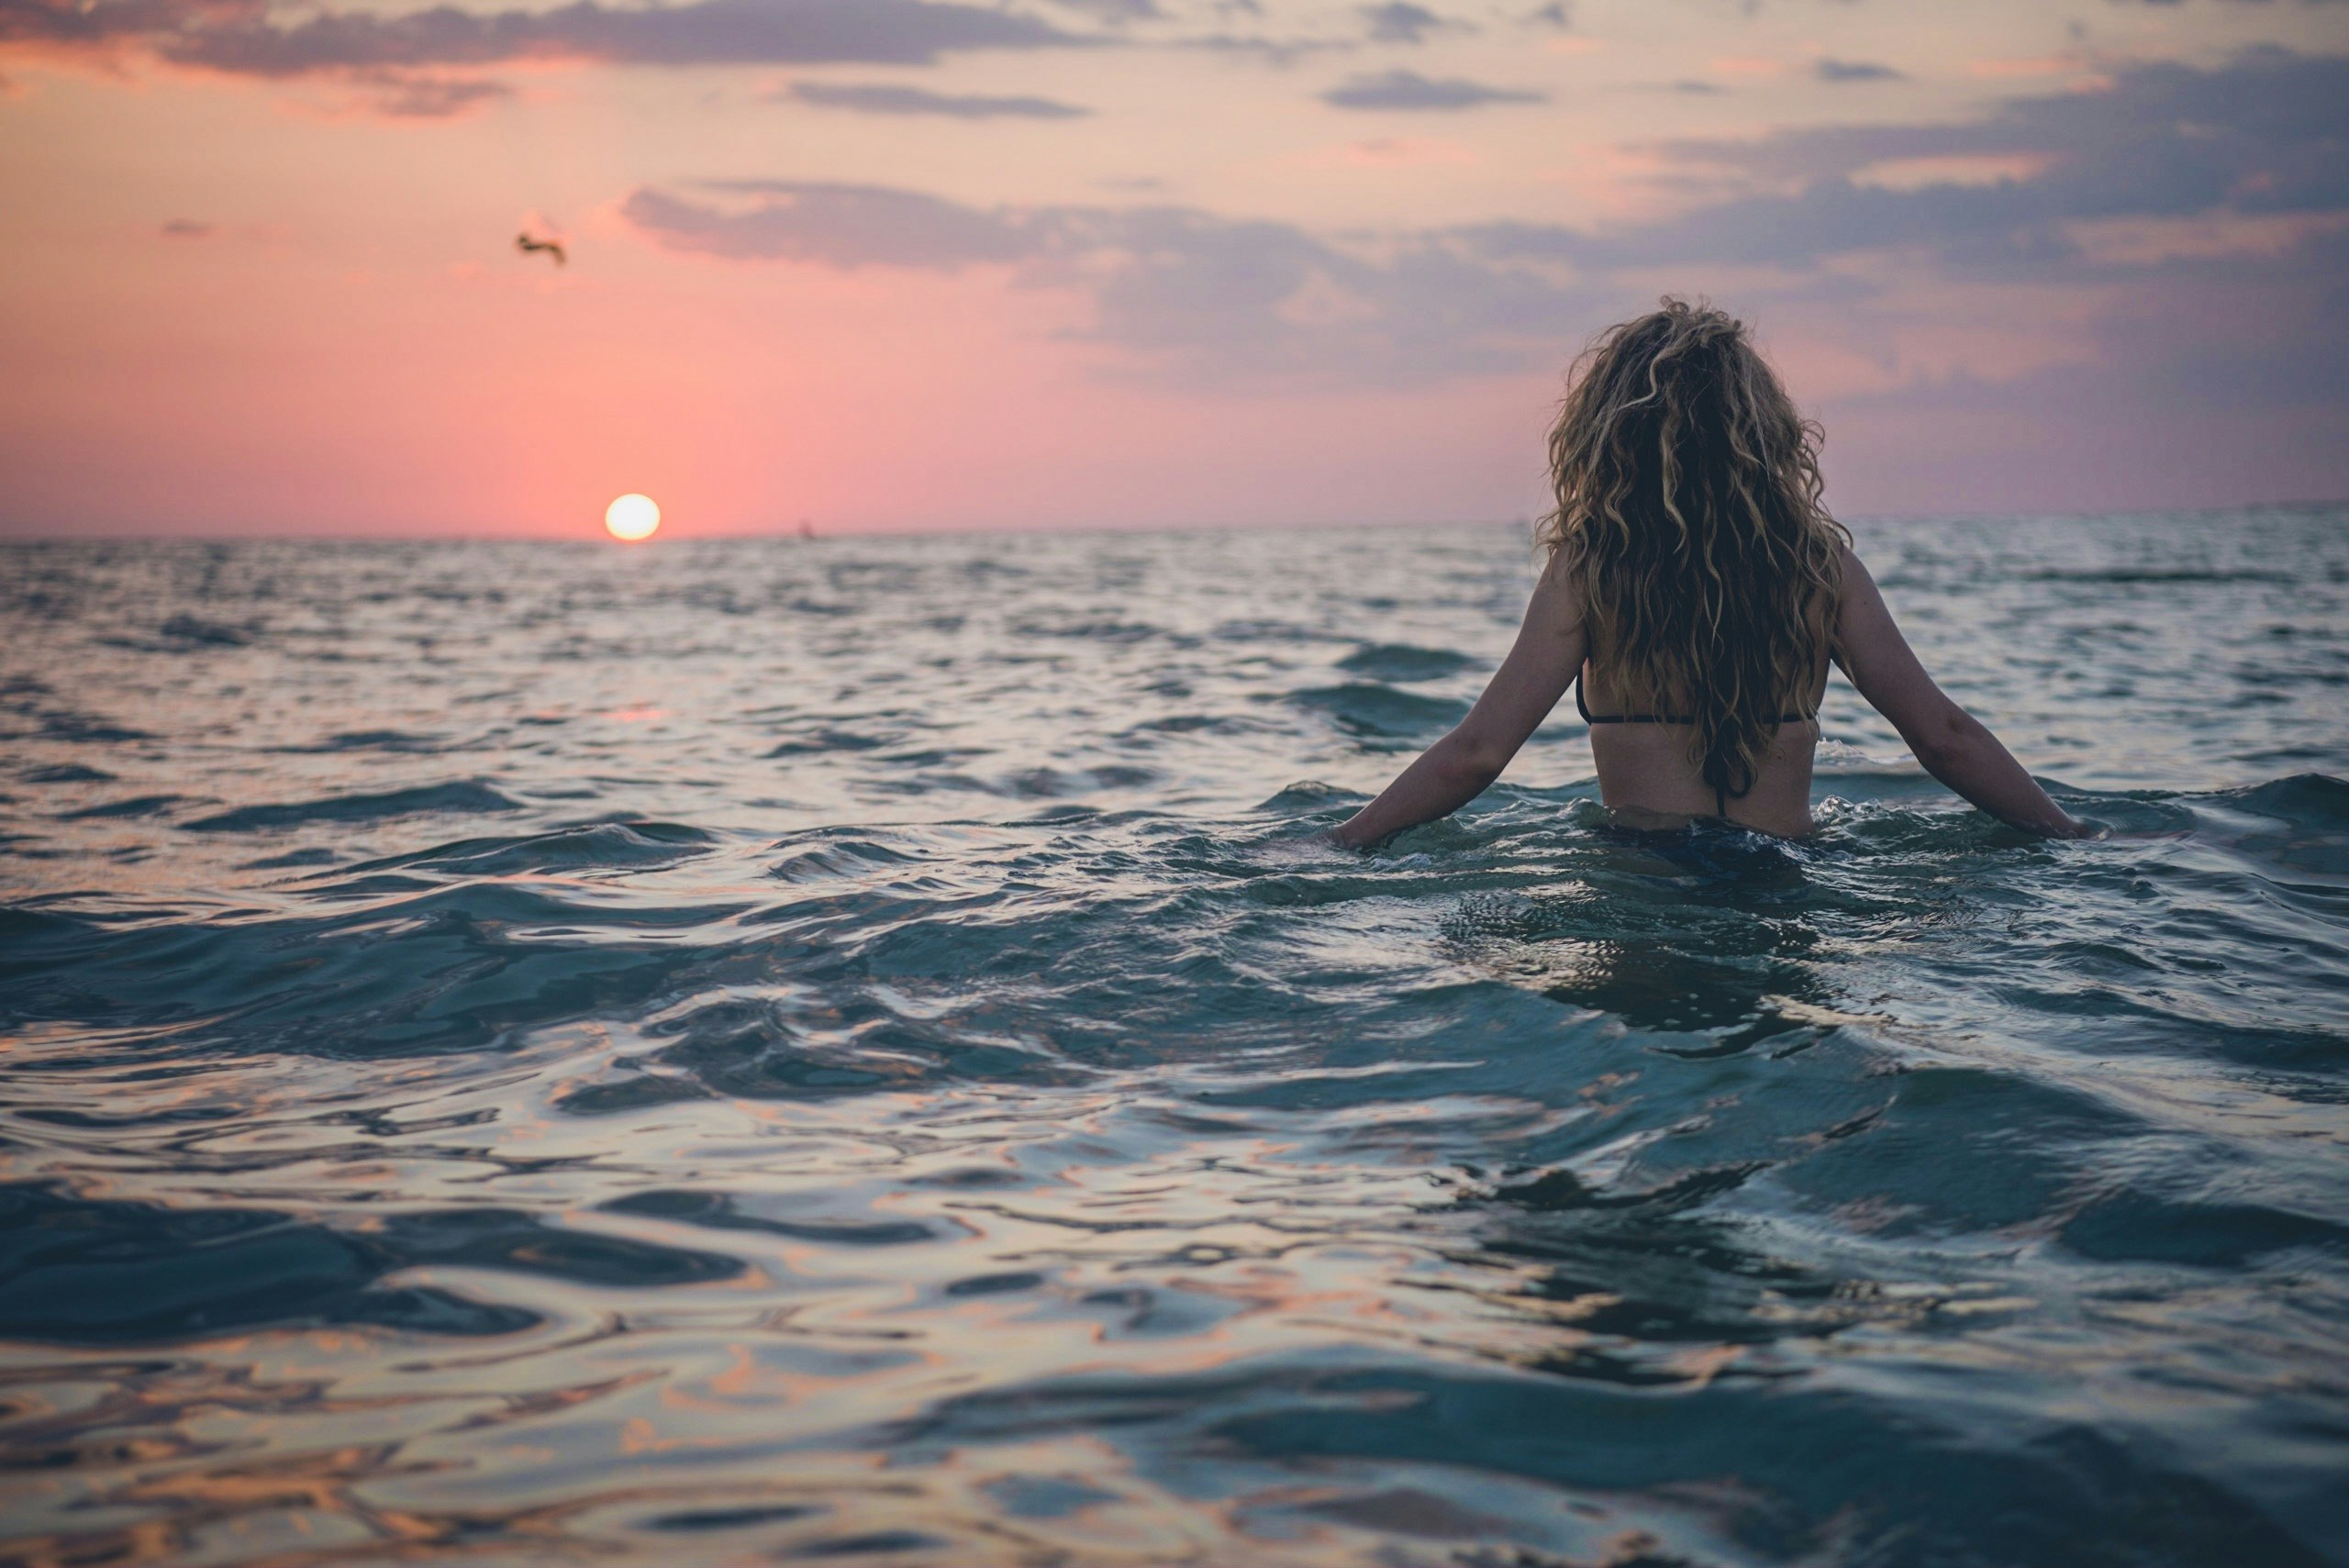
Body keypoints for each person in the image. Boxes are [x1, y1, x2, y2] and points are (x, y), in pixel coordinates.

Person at [1331, 298, 2088, 848]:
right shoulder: (1822, 572)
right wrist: (2074, 834)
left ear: (1608, 435)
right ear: (1763, 434)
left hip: (1644, 882)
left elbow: (1477, 753)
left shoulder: (1592, 571)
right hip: (1785, 879)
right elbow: (1945, 737)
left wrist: (1341, 844)